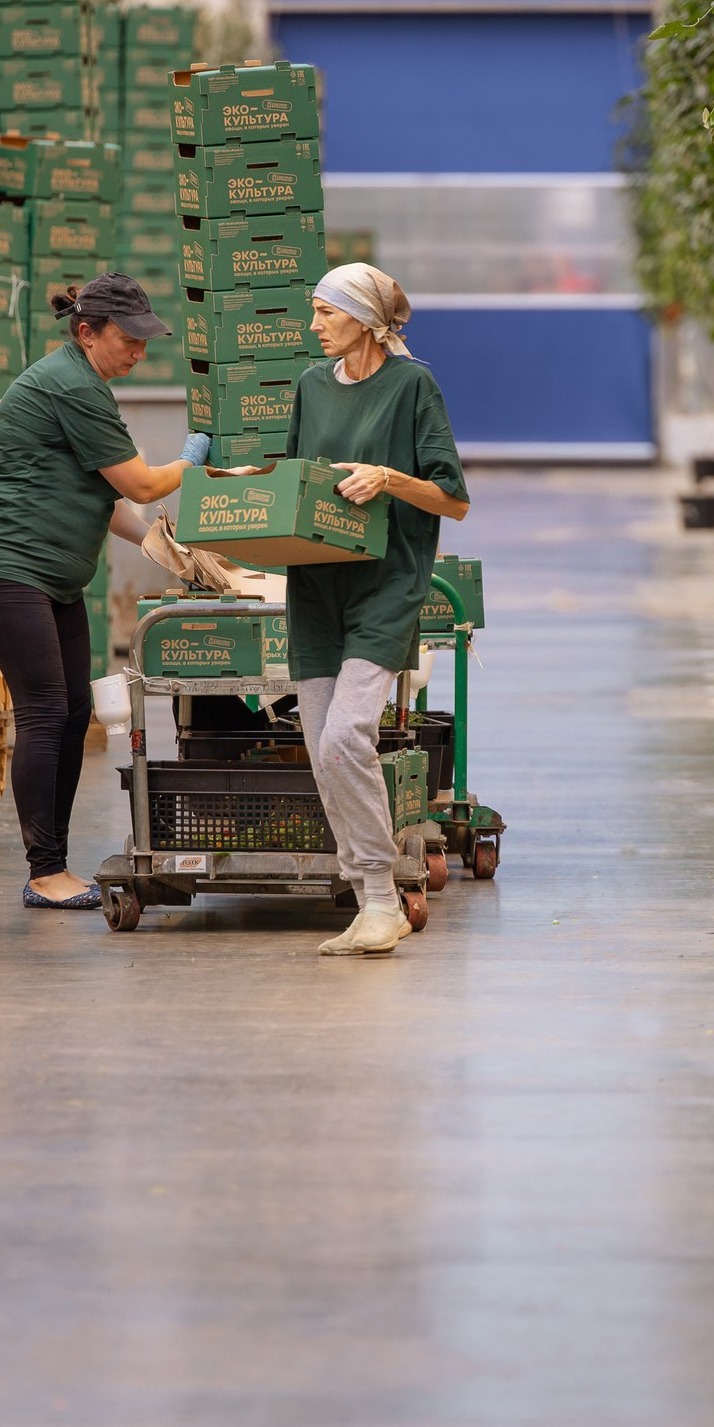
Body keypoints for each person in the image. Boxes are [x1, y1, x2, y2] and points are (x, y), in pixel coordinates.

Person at [0, 274, 211, 909]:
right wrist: (193, 460)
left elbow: (106, 496)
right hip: (10, 563)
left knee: (71, 712)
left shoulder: (83, 381)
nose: (139, 353)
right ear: (88, 332)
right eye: (130, 340)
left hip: (52, 572)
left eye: (147, 343)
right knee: (44, 712)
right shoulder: (70, 384)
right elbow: (144, 483)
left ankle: (53, 864)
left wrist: (162, 550)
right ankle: (45, 873)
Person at [285, 263, 469, 957]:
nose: (314, 324)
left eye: (325, 312)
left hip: (386, 587)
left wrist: (390, 479)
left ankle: (384, 896)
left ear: (362, 319)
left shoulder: (412, 386)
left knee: (345, 738)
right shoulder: (309, 386)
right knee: (320, 751)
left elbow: (453, 499)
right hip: (315, 589)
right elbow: (299, 480)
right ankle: (371, 905)